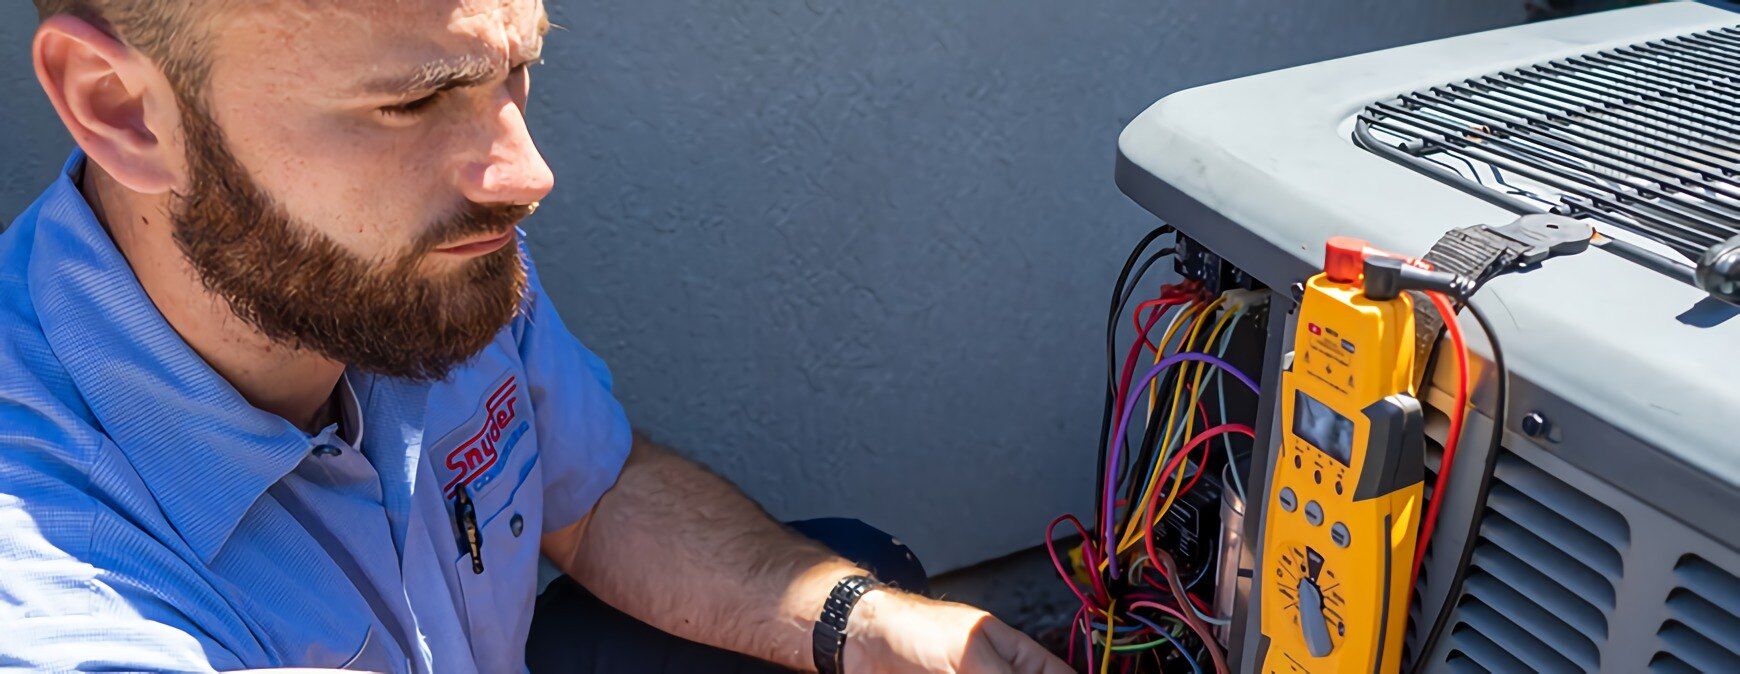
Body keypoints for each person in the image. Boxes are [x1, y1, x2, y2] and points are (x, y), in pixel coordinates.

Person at [0, 2, 1072, 673]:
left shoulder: (395, 265)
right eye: (419, 100)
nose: (525, 173)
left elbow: (591, 492)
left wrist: (860, 625)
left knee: (864, 575)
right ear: (121, 109)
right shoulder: (54, 578)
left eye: (517, 69)